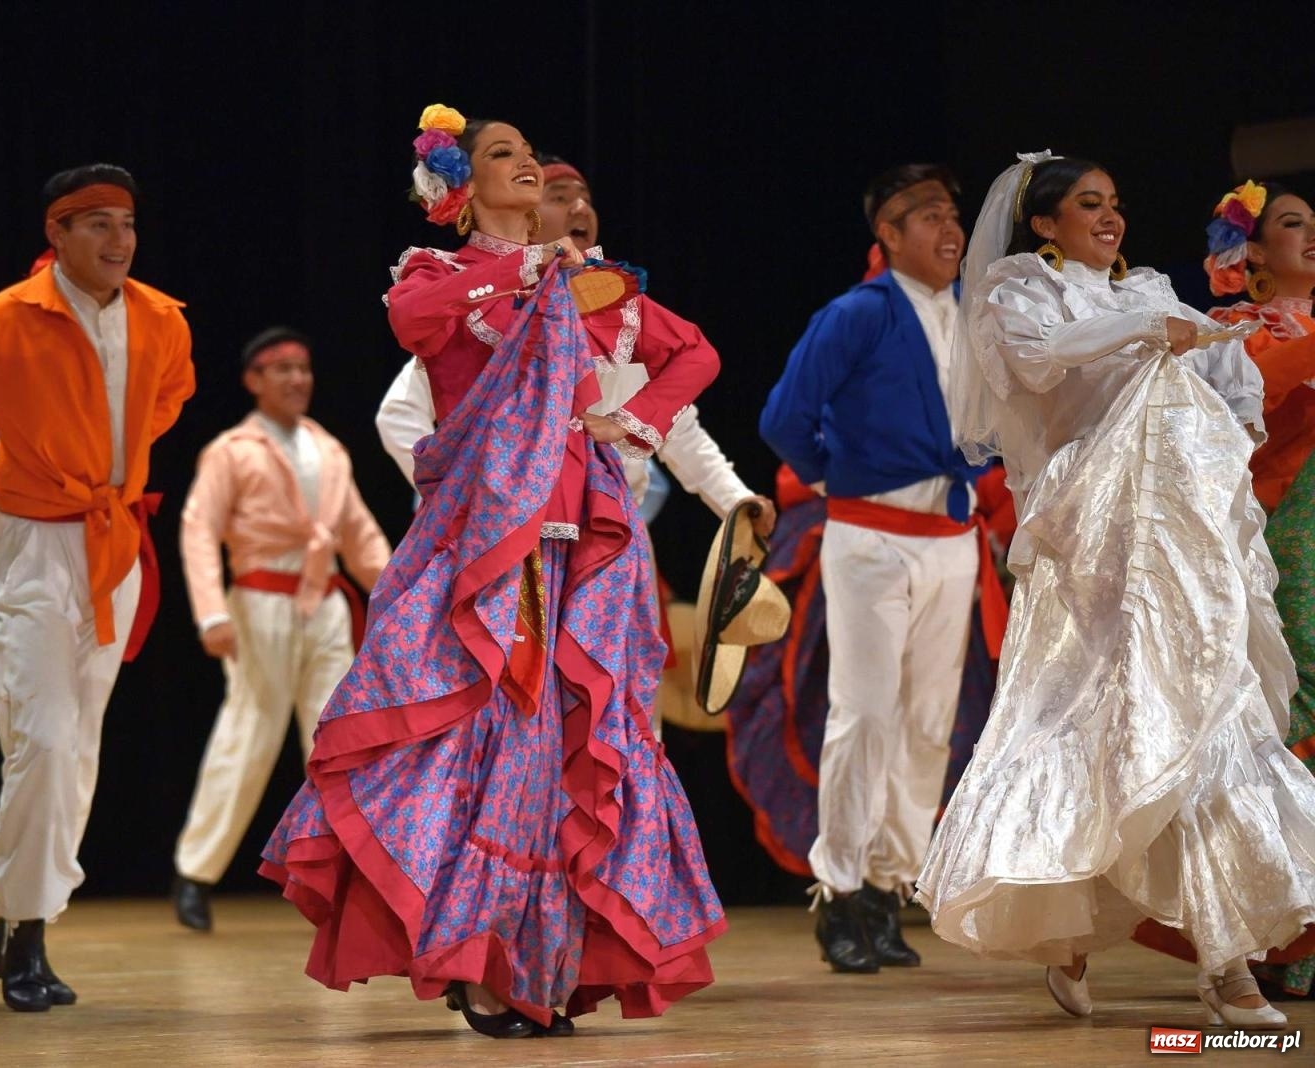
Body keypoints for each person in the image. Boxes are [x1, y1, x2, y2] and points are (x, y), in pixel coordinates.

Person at [260, 104, 726, 1039]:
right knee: (485, 746)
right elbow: (411, 320)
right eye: (504, 156)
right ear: (461, 187)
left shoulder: (585, 288)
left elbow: (694, 352)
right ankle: (481, 963)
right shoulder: (445, 275)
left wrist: (629, 423)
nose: (529, 169)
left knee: (570, 756)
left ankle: (542, 964)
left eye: (531, 157)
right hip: (486, 550)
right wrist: (526, 266)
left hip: (584, 542)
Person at [917, 152, 1315, 1029]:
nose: (1109, 218)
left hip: (1179, 540)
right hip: (1092, 544)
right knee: (1100, 725)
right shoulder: (1019, 294)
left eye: (1116, 204)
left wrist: (1221, 382)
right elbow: (1040, 365)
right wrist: (1148, 336)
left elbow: (1227, 374)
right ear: (1045, 224)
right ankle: (1069, 933)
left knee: (1210, 719)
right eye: (1088, 205)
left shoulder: (1150, 290)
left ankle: (1229, 966)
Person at [0, 164, 195, 1012]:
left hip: (115, 543)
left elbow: (171, 397)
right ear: (56, 235)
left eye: (127, 223)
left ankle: (27, 915)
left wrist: (116, 469)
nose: (118, 240)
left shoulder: (162, 318)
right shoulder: (4, 318)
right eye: (96, 223)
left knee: (79, 743)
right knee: (46, 739)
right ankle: (26, 927)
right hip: (30, 547)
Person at [757, 164, 991, 974]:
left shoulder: (974, 317)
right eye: (926, 215)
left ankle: (891, 888)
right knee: (863, 713)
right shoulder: (857, 314)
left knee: (930, 719)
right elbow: (784, 417)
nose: (949, 228)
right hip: (869, 538)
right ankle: (840, 890)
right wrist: (836, 480)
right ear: (887, 235)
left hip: (950, 540)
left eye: (953, 213)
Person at [1133, 180, 1315, 997]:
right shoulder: (1234, 332)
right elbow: (1258, 404)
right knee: (1290, 705)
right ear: (1249, 253)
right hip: (1286, 539)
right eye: (1291, 224)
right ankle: (1278, 929)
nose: (1310, 236)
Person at [375, 156, 769, 532]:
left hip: (610, 536)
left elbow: (681, 428)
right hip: (502, 530)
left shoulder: (618, 311)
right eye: (559, 196)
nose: (580, 206)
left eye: (586, 198)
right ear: (523, 213)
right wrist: (451, 490)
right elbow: (398, 413)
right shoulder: (488, 314)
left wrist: (736, 502)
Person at [170, 327, 390, 932]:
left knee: (335, 739)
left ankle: (343, 873)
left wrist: (402, 592)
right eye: (283, 368)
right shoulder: (233, 449)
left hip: (324, 607)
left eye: (304, 367)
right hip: (260, 601)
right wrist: (212, 612)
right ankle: (196, 870)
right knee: (250, 731)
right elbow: (197, 529)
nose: (298, 379)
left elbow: (360, 536)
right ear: (254, 380)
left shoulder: (329, 449)